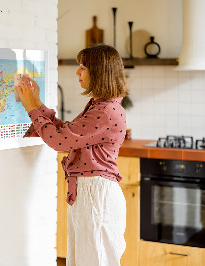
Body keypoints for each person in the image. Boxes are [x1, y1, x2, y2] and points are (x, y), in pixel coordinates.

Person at [16, 44, 128, 266]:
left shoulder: (105, 111)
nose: (77, 72)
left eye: (83, 67)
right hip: (91, 193)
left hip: (96, 195)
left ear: (99, 72)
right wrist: (37, 104)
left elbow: (59, 141)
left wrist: (31, 108)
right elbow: (67, 133)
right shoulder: (101, 106)